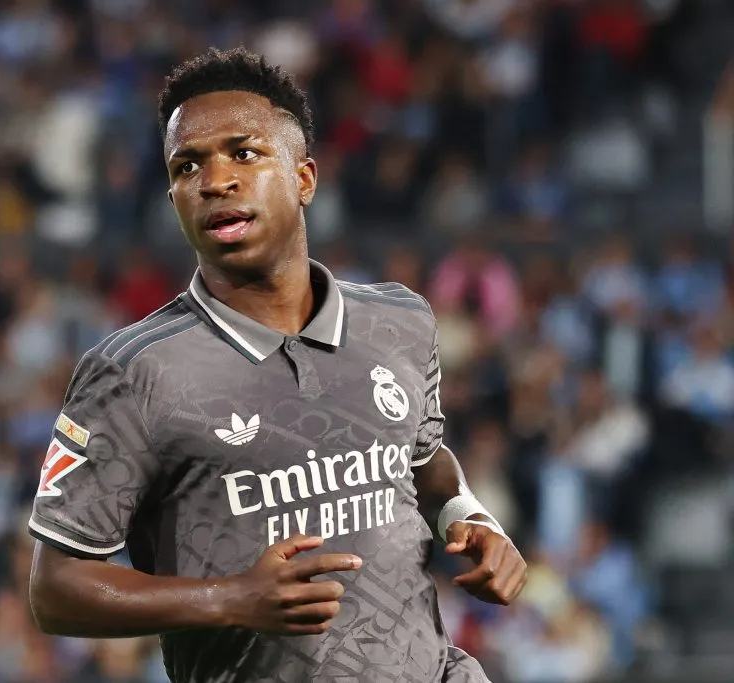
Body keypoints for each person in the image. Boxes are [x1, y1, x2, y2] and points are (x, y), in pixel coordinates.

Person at [27, 47, 527, 683]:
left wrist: (468, 515)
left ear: (305, 178)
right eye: (188, 165)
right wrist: (231, 598)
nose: (215, 180)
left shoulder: (399, 321)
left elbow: (425, 460)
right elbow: (56, 590)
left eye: (244, 153)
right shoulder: (133, 372)